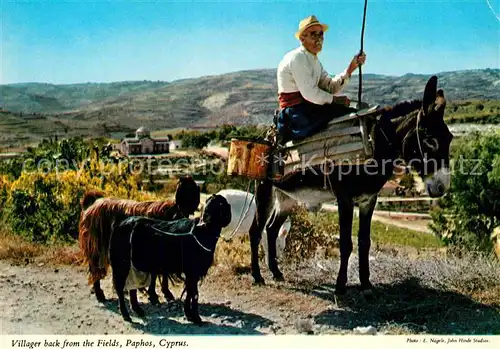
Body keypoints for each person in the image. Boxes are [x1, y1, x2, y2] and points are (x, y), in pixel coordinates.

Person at [276, 15, 367, 142]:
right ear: (302, 38)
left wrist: (350, 68)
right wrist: (336, 100)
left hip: (308, 110)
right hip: (296, 116)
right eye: (314, 34)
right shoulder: (298, 58)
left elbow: (330, 86)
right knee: (349, 115)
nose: (319, 39)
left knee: (353, 112)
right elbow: (310, 93)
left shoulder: (314, 62)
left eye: (321, 35)